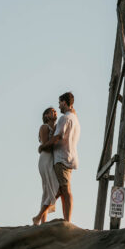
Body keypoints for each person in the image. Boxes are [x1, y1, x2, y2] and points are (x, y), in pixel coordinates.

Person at [39, 92, 80, 223]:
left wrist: (43, 147)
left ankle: (42, 216)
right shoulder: (73, 118)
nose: (57, 108)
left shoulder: (64, 119)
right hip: (64, 158)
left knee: (62, 189)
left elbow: (57, 137)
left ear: (64, 102)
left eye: (59, 103)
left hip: (61, 158)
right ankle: (41, 216)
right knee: (56, 189)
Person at [32, 107, 60, 225]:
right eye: (51, 111)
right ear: (46, 116)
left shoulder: (57, 127)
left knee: (48, 189)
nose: (54, 112)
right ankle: (39, 217)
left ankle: (42, 220)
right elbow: (45, 145)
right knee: (53, 187)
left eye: (55, 111)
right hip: (45, 159)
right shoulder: (44, 127)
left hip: (52, 159)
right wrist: (55, 140)